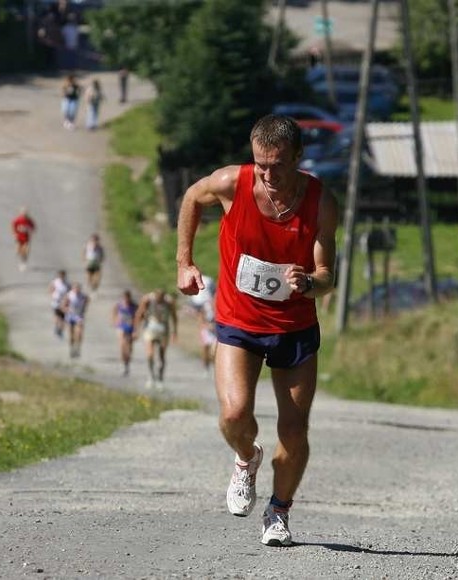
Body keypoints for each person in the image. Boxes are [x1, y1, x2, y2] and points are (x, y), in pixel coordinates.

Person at [175, 114, 338, 547]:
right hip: (238, 322)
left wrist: (309, 284)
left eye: (278, 165)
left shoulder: (320, 201)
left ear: (299, 158)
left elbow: (328, 276)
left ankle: (278, 512)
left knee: (294, 432)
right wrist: (184, 262)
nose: (268, 175)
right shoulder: (234, 183)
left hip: (294, 328)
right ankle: (246, 458)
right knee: (233, 415)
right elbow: (192, 196)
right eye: (261, 164)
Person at [133, 288, 177, 390]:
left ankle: (160, 379)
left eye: (161, 298)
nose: (159, 300)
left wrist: (175, 332)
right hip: (150, 329)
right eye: (158, 298)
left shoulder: (169, 302)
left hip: (163, 330)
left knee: (161, 357)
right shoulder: (147, 300)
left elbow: (174, 317)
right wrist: (136, 330)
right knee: (150, 355)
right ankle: (151, 376)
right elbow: (139, 314)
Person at [112, 289, 138, 376]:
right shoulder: (119, 305)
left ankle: (127, 364)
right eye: (125, 298)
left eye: (128, 298)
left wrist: (136, 330)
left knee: (129, 348)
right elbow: (114, 312)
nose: (126, 300)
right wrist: (115, 321)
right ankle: (123, 364)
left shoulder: (134, 306)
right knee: (122, 346)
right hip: (121, 327)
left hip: (131, 328)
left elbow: (138, 317)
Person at [62, 282, 89, 358]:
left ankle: (78, 348)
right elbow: (63, 306)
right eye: (75, 288)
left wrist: (83, 309)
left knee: (79, 333)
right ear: (73, 289)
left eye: (78, 288)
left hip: (79, 316)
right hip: (70, 316)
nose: (77, 290)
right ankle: (72, 349)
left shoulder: (83, 296)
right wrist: (67, 309)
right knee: (71, 335)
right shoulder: (69, 295)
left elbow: (87, 301)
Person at [11, 207, 36, 271]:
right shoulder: (18, 220)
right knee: (20, 251)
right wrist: (15, 233)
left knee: (26, 251)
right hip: (19, 238)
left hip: (26, 238)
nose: (24, 214)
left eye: (26, 213)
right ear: (21, 213)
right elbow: (14, 226)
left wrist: (30, 230)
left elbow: (33, 227)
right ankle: (19, 253)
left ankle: (23, 263)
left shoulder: (29, 220)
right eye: (23, 213)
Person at [49, 269, 71, 339]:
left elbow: (69, 292)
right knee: (57, 315)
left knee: (63, 317)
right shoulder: (55, 282)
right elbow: (51, 289)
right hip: (56, 301)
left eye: (63, 275)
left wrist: (67, 300)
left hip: (64, 302)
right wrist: (53, 296)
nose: (61, 276)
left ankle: (60, 330)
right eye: (60, 275)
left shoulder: (67, 283)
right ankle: (56, 327)